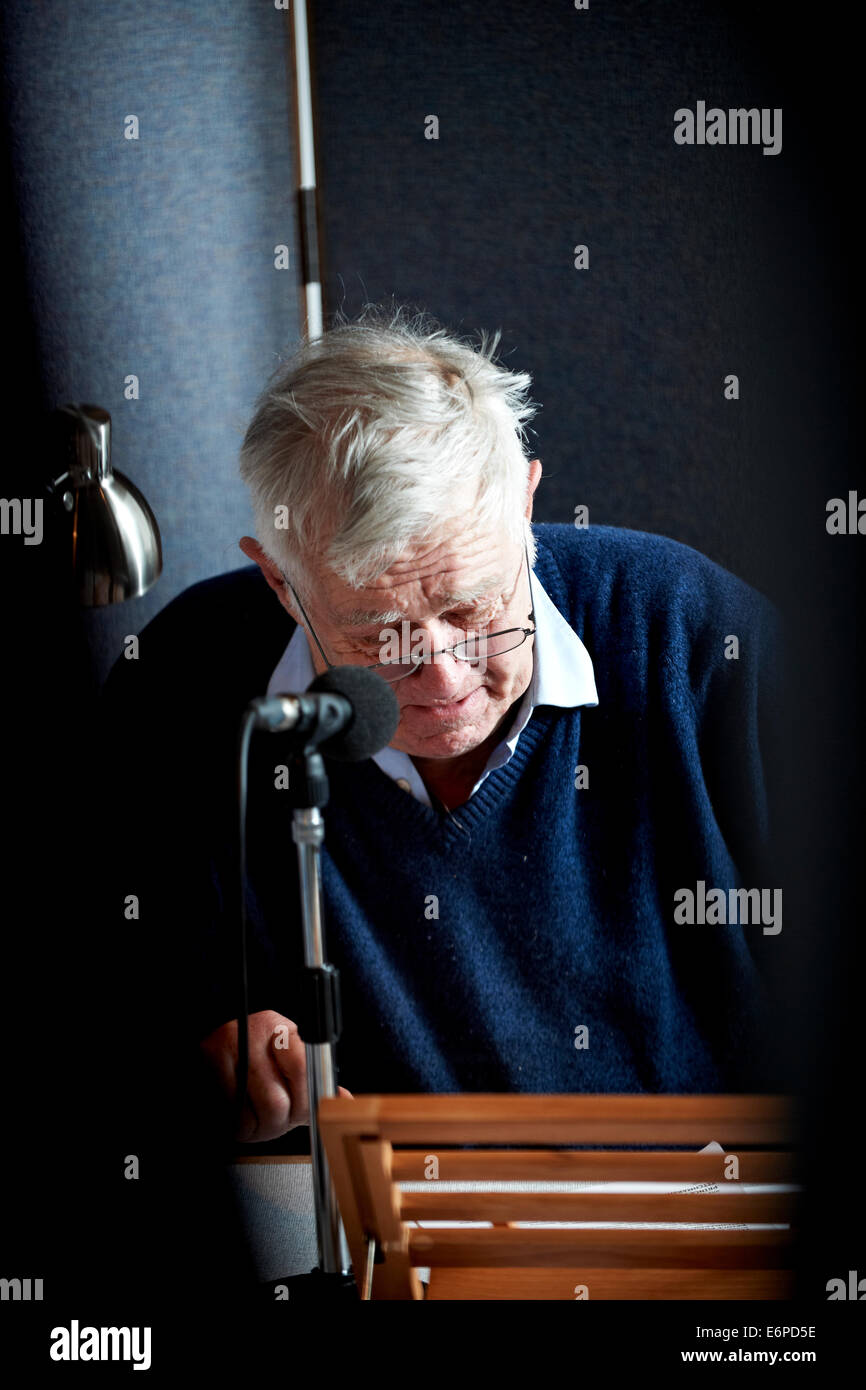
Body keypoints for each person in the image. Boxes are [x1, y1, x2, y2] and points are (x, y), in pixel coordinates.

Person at [107, 305, 790, 1145]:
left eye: (473, 607)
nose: (442, 674)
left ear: (527, 502)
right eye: (371, 632)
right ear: (281, 585)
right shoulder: (184, 681)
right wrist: (197, 1071)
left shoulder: (695, 638)